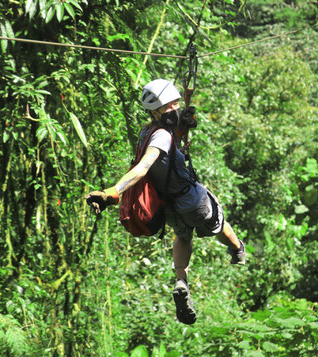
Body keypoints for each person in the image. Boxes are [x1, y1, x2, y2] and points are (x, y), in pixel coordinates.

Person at [86, 79, 246, 325]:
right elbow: (144, 167)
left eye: (175, 104)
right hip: (190, 199)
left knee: (183, 237)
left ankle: (181, 282)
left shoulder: (147, 132)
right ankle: (237, 249)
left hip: (167, 206)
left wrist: (181, 128)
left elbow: (168, 145)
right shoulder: (161, 137)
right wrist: (113, 192)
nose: (173, 110)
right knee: (217, 217)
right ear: (155, 111)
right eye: (168, 106)